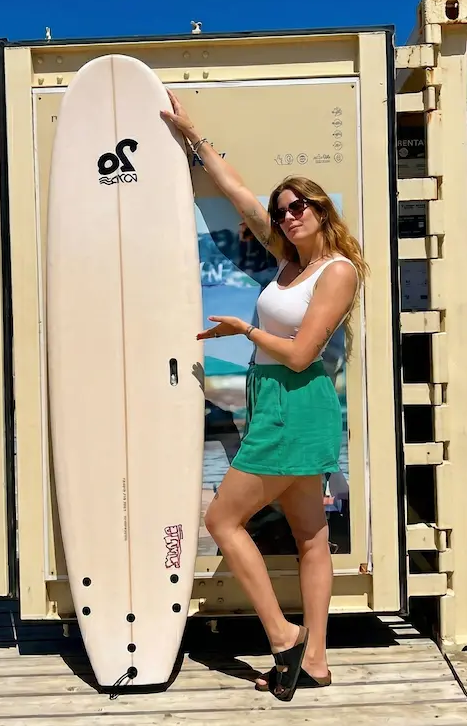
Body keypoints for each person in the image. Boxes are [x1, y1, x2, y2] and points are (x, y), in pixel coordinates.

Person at [160, 90, 369, 702]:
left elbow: (303, 353)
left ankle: (283, 637)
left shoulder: (337, 272)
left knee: (222, 518)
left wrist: (245, 330)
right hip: (279, 403)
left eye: (299, 206)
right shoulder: (287, 263)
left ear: (321, 210)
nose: (287, 216)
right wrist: (191, 134)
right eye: (283, 211)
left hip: (295, 404)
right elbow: (238, 193)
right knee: (310, 538)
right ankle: (320, 662)